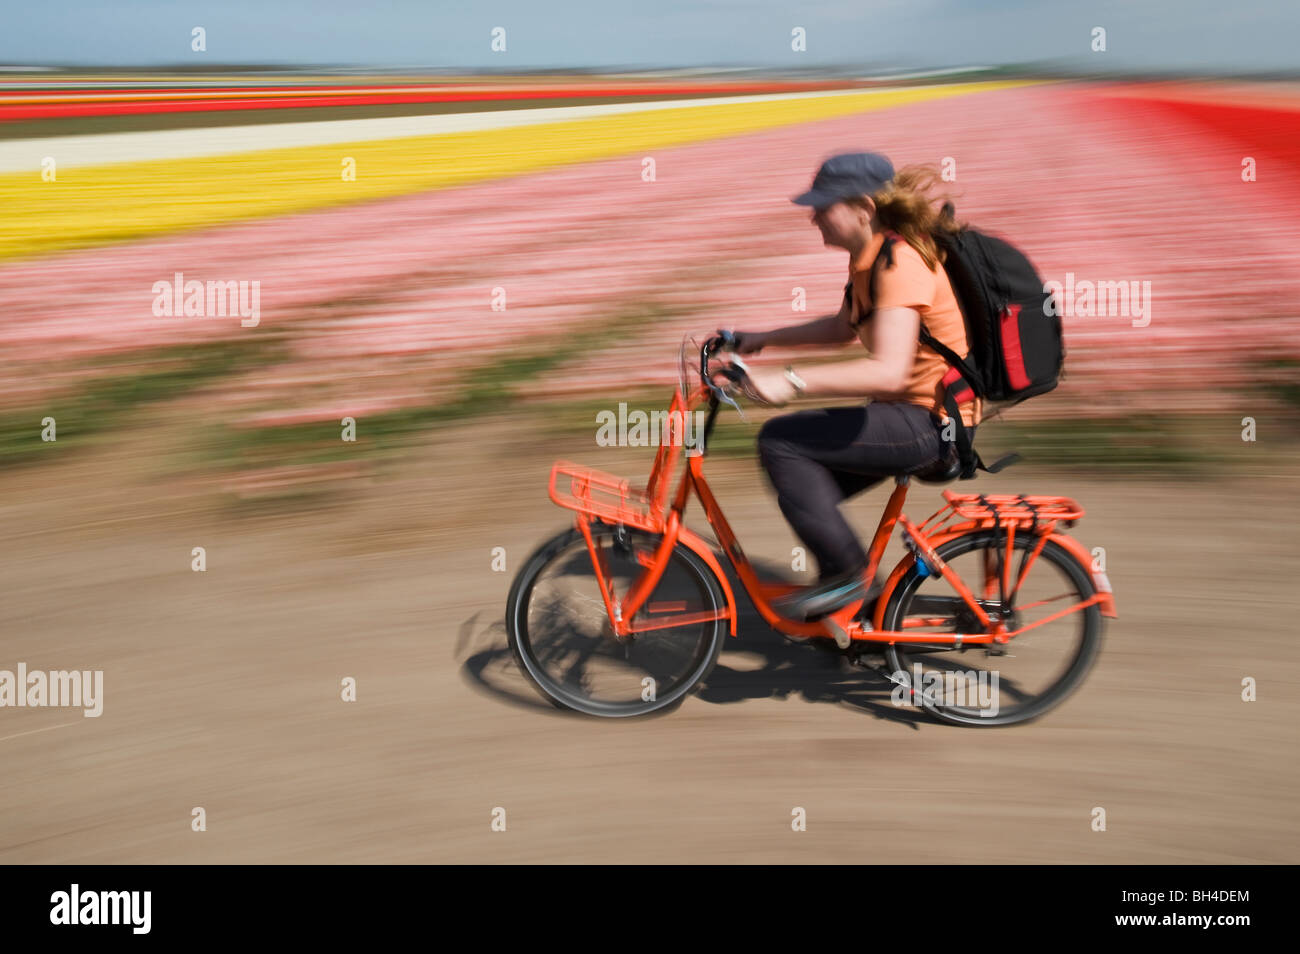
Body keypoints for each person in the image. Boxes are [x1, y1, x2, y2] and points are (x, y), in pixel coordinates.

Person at [725, 152, 982, 623]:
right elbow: (844, 327)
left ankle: (849, 580)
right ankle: (853, 608)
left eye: (824, 205)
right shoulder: (870, 259)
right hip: (906, 415)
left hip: (931, 424)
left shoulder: (900, 262)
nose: (813, 216)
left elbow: (888, 371)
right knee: (802, 486)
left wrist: (791, 381)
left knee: (783, 443)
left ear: (863, 208)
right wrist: (763, 339)